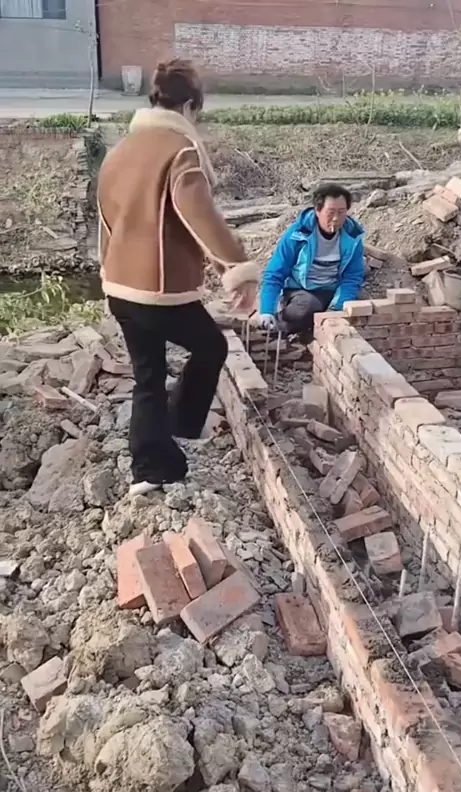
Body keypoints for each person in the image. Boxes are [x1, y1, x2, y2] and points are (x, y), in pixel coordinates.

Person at [97, 59, 260, 497]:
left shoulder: (120, 150)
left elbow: (106, 221)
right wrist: (237, 270)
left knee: (147, 376)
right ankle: (184, 425)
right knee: (212, 346)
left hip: (119, 287)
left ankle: (150, 468)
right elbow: (199, 215)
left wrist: (109, 269)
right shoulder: (180, 151)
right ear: (190, 105)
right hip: (159, 290)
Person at [258, 184, 365, 339]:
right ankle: (277, 331)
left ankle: (314, 332)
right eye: (330, 212)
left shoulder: (353, 237)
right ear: (318, 211)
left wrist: (337, 309)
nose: (336, 218)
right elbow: (275, 273)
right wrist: (267, 310)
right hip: (301, 291)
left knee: (355, 307)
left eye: (341, 212)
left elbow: (353, 277)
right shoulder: (298, 235)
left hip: (331, 290)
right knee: (307, 306)